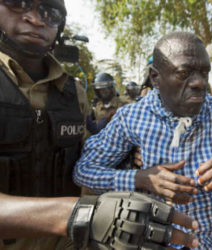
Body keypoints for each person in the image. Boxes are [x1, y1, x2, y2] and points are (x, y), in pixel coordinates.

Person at [0, 1, 199, 249]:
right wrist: (73, 214)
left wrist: (133, 163)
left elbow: (86, 165)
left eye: (49, 12)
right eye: (19, 4)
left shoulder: (71, 92)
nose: (36, 19)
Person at [73, 31, 212, 249]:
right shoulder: (131, 118)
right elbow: (84, 171)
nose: (200, 83)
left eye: (204, 72)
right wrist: (140, 179)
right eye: (184, 73)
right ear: (155, 77)